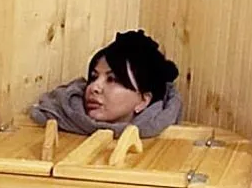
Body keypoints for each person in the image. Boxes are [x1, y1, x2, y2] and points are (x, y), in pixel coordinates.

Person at [30, 30, 183, 137]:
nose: (94, 88)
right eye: (93, 77)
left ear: (143, 101)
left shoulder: (166, 140)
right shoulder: (55, 117)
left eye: (112, 80)